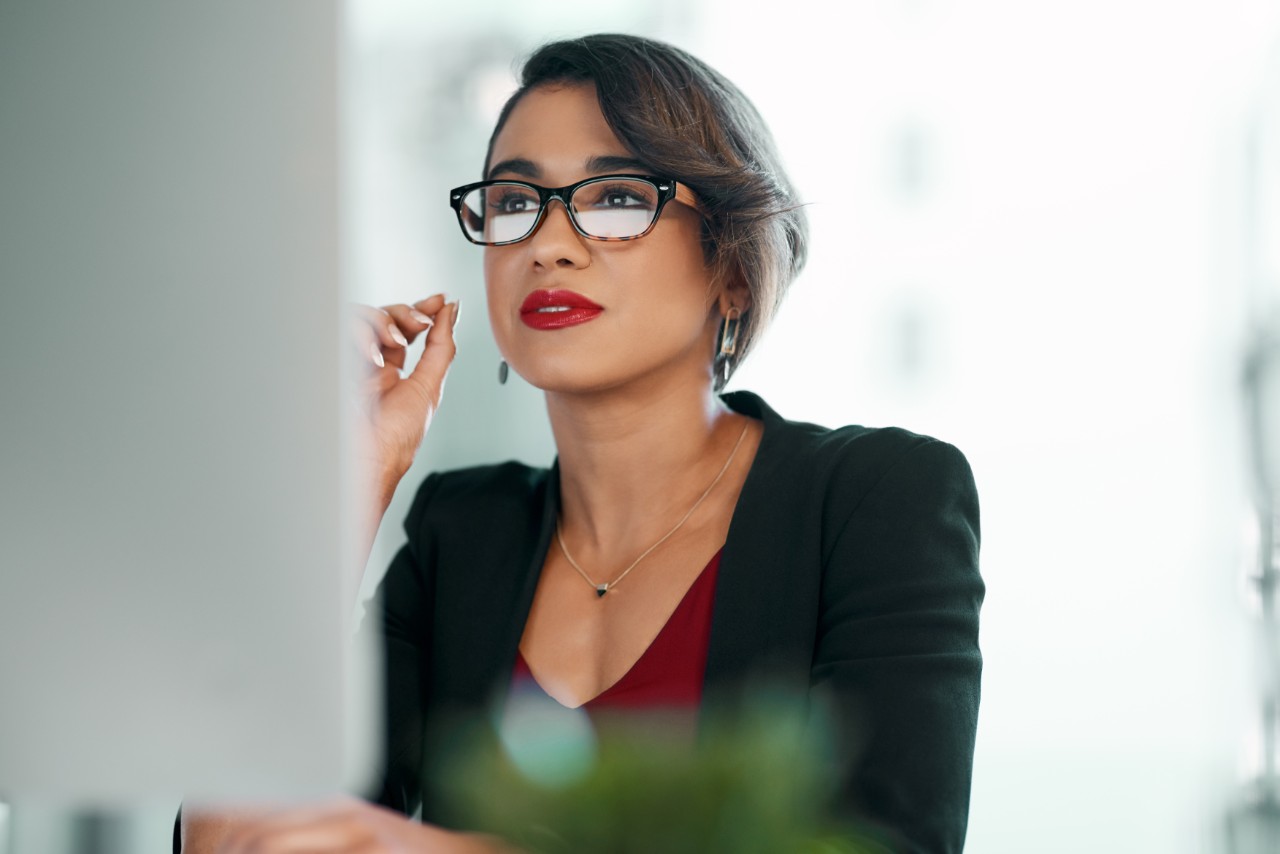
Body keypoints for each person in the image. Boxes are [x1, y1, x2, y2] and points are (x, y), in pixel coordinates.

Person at [179, 33, 983, 854]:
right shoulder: (464, 533)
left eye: (617, 198)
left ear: (733, 268)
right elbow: (227, 837)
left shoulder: (878, 499)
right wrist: (353, 483)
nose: (549, 244)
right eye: (515, 201)